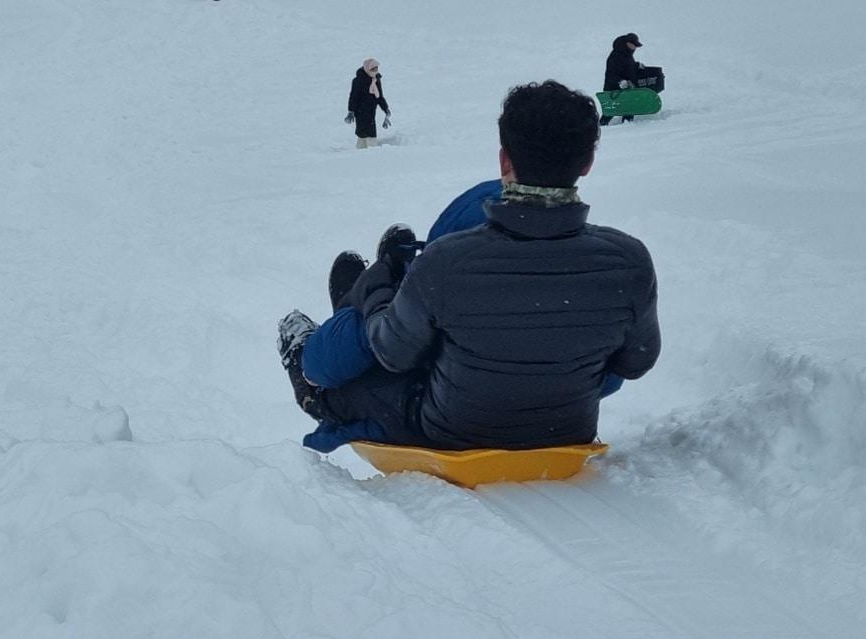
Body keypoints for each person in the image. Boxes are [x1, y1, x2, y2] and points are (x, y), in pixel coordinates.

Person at [278, 80, 659, 453]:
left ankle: (326, 366)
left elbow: (393, 353)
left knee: (357, 381)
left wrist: (381, 286)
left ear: (504, 159)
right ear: (588, 162)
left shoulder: (448, 260)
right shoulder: (629, 261)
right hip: (566, 430)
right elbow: (635, 361)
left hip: (449, 432)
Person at [603, 33, 665, 124]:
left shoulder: (627, 55)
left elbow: (628, 68)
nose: (634, 48)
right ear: (627, 43)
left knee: (629, 108)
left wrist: (637, 65)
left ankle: (627, 125)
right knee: (612, 110)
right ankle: (602, 125)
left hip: (627, 89)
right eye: (633, 45)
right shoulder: (616, 56)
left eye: (636, 46)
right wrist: (620, 81)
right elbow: (611, 74)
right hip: (614, 90)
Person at [346, 58, 392, 149]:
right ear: (367, 69)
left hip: (371, 111)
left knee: (364, 134)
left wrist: (386, 109)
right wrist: (351, 111)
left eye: (376, 69)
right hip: (360, 111)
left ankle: (361, 152)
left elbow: (379, 97)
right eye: (373, 69)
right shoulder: (358, 80)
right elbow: (353, 97)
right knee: (368, 134)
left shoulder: (376, 79)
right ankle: (371, 153)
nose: (375, 71)